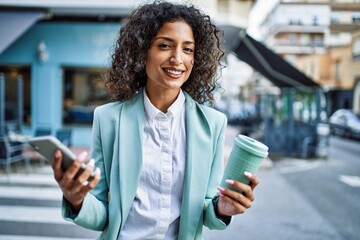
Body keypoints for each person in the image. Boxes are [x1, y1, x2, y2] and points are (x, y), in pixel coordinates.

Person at [51, 1, 260, 239]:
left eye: (188, 49)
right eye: (165, 45)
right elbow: (103, 215)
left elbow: (207, 209)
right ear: (143, 51)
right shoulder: (108, 119)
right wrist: (76, 199)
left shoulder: (213, 124)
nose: (177, 59)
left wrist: (223, 209)